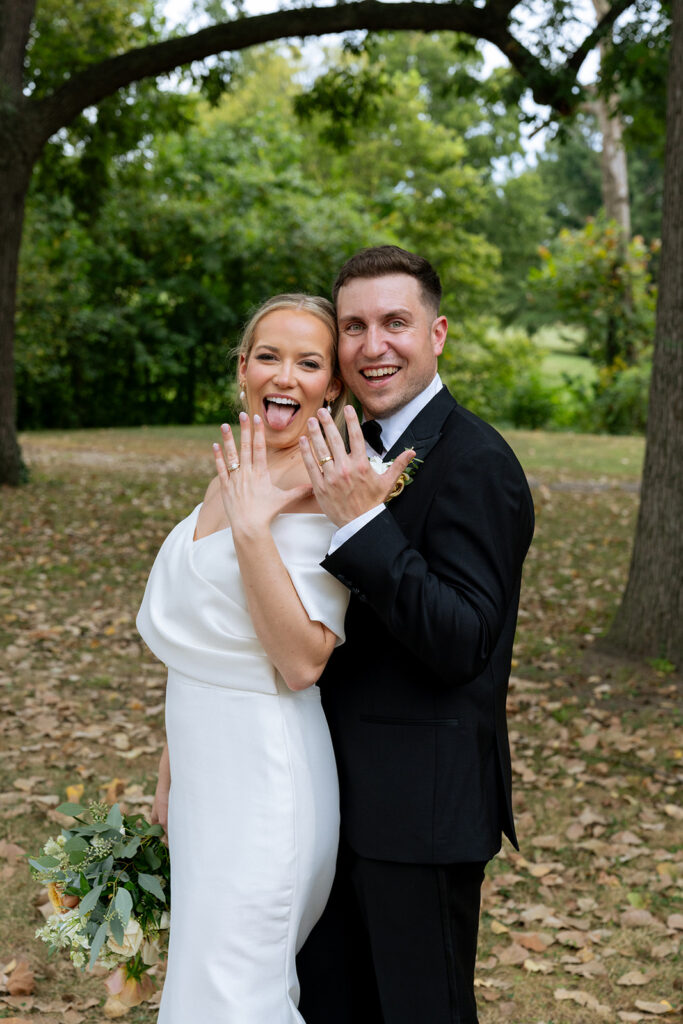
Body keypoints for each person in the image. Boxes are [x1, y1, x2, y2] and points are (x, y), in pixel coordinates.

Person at [296, 246, 535, 1024]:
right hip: (323, 801)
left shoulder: (476, 461)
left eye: (394, 322)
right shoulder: (339, 448)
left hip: (419, 813)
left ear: (435, 334)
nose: (373, 345)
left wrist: (362, 523)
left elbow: (463, 638)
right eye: (354, 326)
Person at [137, 295, 366, 1024]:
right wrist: (172, 772)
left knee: (235, 994)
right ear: (243, 368)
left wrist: (251, 532)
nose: (286, 376)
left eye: (310, 363)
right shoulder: (232, 472)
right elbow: (200, 647)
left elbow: (302, 662)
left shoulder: (327, 488)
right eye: (269, 355)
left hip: (267, 784)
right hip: (206, 781)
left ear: (331, 385)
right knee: (204, 984)